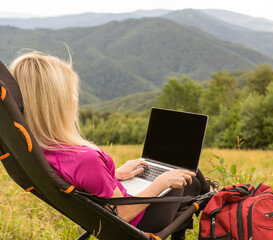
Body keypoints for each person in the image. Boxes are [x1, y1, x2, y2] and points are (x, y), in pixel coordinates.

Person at [9, 51, 213, 233]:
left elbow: (78, 182)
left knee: (183, 177)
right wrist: (161, 182)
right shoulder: (87, 158)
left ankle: (209, 195)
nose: (75, 98)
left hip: (103, 214)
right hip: (137, 223)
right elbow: (121, 215)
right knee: (189, 178)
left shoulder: (38, 150)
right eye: (71, 93)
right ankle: (214, 202)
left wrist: (113, 175)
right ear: (57, 105)